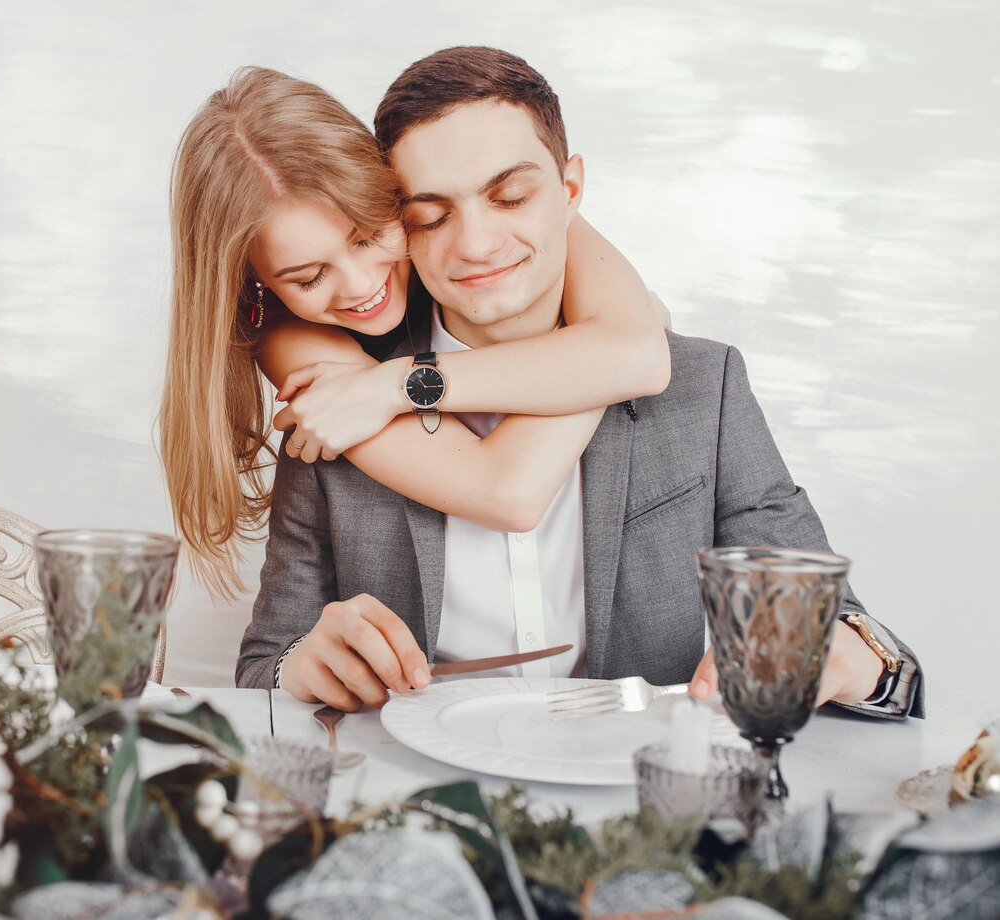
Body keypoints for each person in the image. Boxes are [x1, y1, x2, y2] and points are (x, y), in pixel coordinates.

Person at [237, 47, 924, 721]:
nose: (476, 244)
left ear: (570, 191)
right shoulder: (335, 407)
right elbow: (265, 664)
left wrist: (847, 658)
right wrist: (301, 664)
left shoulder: (703, 391)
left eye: (510, 196)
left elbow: (871, 655)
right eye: (432, 216)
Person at [159, 66, 670, 602]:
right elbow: (509, 492)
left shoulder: (484, 228)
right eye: (309, 277)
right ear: (254, 283)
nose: (362, 287)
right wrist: (606, 341)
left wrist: (394, 385)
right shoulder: (295, 343)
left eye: (369, 234)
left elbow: (634, 351)